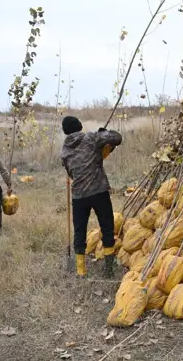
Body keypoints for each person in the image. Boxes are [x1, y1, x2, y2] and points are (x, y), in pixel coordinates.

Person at [60, 116, 123, 278]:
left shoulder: (64, 150)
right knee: (107, 226)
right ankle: (109, 269)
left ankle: (81, 271)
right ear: (80, 126)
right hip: (99, 191)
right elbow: (117, 138)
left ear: (65, 131)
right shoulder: (91, 138)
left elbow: (71, 173)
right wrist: (104, 133)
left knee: (80, 231)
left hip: (79, 196)